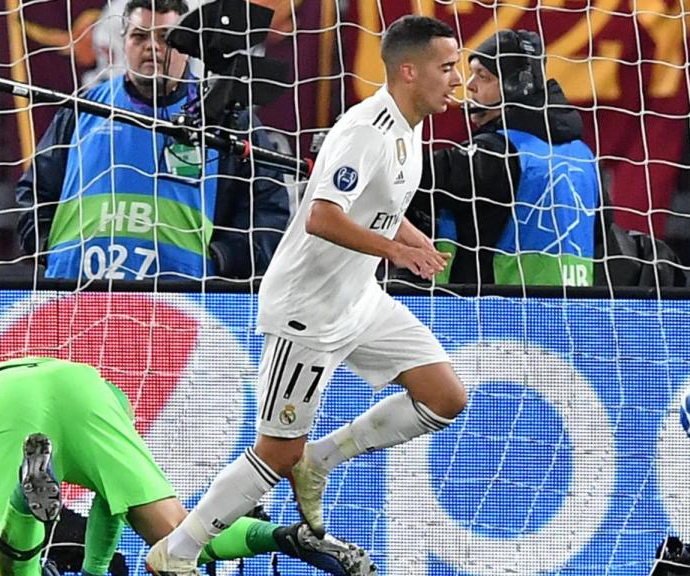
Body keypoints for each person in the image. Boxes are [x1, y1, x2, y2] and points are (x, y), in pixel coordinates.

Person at [144, 15, 468, 575]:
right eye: (447, 67)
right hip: (308, 313)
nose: (456, 79)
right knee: (276, 451)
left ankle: (322, 459)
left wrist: (415, 242)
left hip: (358, 299)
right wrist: (394, 253)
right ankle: (176, 553)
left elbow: (379, 211)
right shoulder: (366, 131)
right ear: (409, 71)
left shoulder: (410, 131)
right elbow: (321, 217)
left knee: (445, 396)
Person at [0, 357, 374, 576]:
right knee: (180, 536)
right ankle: (286, 537)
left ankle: (26, 490)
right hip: (89, 390)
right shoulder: (115, 403)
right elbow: (110, 505)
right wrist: (95, 572)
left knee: (9, 569)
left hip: (2, 400)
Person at [15, 0, 289, 281]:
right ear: (124, 43)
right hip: (79, 295)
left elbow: (269, 207)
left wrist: (223, 260)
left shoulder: (227, 118)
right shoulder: (82, 109)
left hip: (187, 302)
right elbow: (34, 192)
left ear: (191, 47)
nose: (152, 46)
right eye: (139, 36)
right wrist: (51, 249)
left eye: (166, 37)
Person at [411, 29, 601, 286]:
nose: (469, 85)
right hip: (576, 312)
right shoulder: (584, 155)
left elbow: (406, 177)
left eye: (483, 76)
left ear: (516, 87)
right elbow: (602, 235)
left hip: (498, 313)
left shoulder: (496, 154)